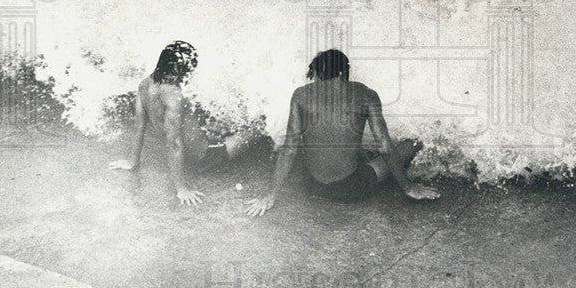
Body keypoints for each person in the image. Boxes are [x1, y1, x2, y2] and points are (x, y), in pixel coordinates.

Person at [245, 49, 438, 216]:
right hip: (351, 188)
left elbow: (289, 149)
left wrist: (270, 196)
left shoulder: (300, 95)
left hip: (312, 185)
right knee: (411, 143)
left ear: (318, 72)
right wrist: (409, 187)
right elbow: (385, 146)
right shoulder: (366, 94)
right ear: (344, 72)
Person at [109, 41, 254, 206]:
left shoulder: (144, 83)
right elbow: (174, 143)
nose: (190, 74)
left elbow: (140, 126)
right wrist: (181, 189)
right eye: (189, 69)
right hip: (206, 155)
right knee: (257, 128)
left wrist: (132, 162)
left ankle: (217, 131)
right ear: (177, 69)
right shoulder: (174, 95)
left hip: (191, 148)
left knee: (219, 122)